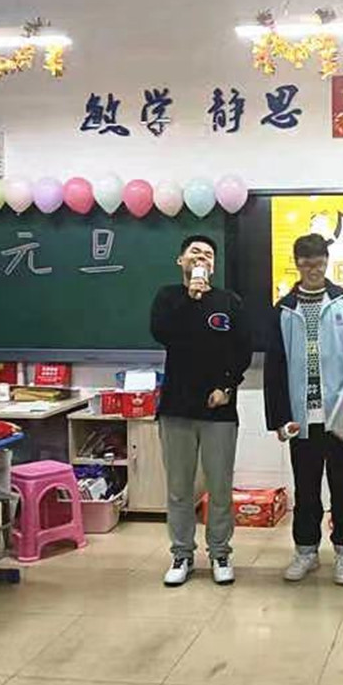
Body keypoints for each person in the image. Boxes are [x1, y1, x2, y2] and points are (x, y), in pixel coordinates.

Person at [264, 233, 343, 586]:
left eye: (319, 262)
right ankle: (306, 551)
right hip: (302, 417)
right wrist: (279, 419)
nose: (313, 269)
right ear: (296, 264)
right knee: (306, 487)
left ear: (327, 262)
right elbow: (274, 369)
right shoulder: (284, 309)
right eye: (306, 263)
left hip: (342, 413)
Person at [150, 234, 252, 587]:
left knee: (220, 487)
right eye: (195, 252)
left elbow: (243, 350)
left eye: (208, 254)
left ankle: (220, 553)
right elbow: (162, 333)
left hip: (218, 410)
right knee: (179, 488)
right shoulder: (168, 298)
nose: (202, 258)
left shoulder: (229, 301)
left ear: (214, 264)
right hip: (176, 407)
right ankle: (182, 554)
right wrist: (191, 299)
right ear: (181, 260)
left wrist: (227, 387)